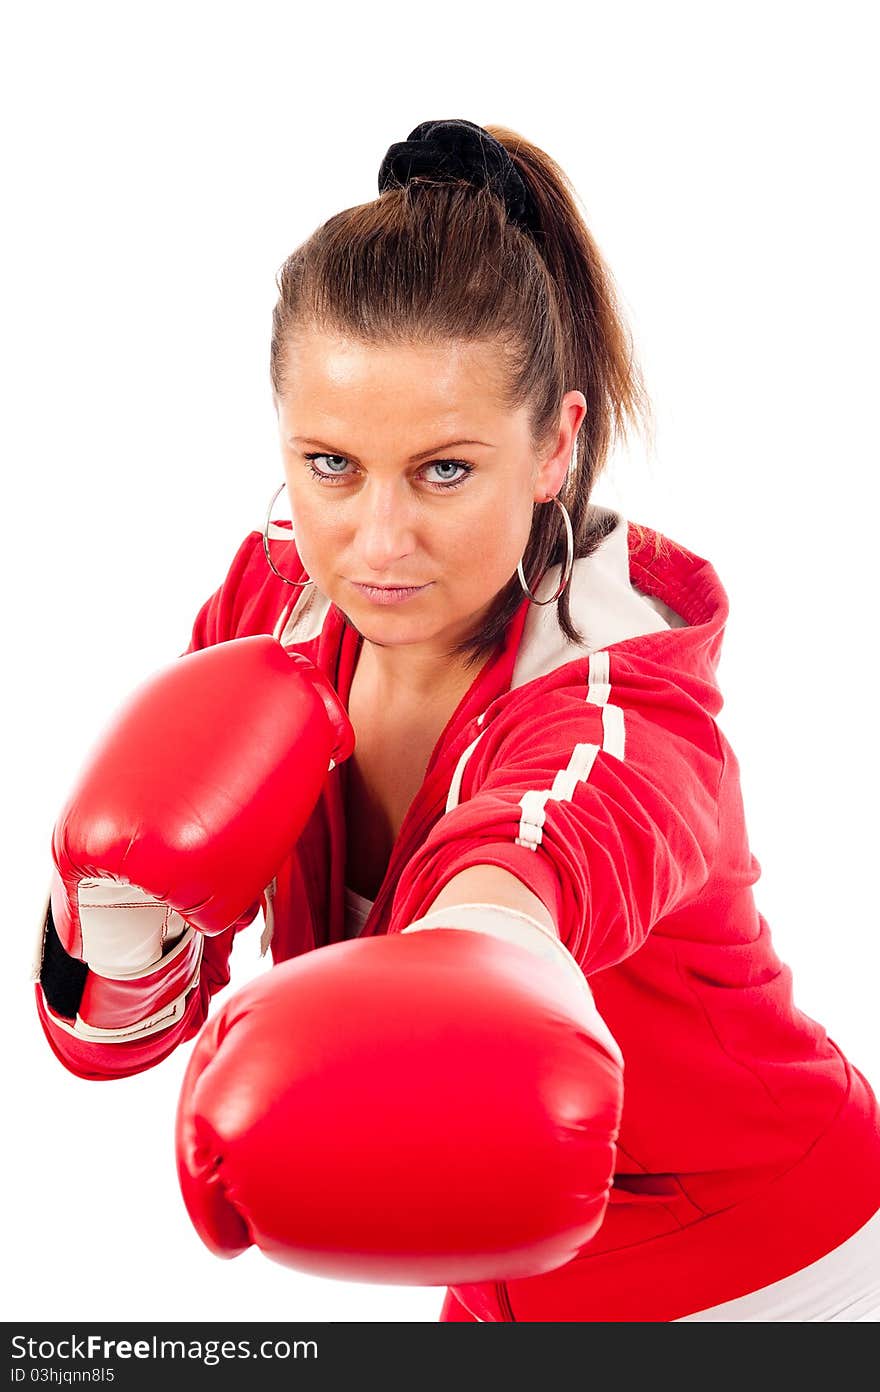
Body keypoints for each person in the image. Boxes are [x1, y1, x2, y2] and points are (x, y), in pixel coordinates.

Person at [32, 118, 880, 1323]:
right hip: (507, 1273)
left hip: (773, 1270)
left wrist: (486, 952)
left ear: (553, 449)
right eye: (330, 464)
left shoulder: (620, 694)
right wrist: (114, 933)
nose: (377, 545)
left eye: (443, 470)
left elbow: (533, 866)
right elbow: (113, 1034)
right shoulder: (269, 609)